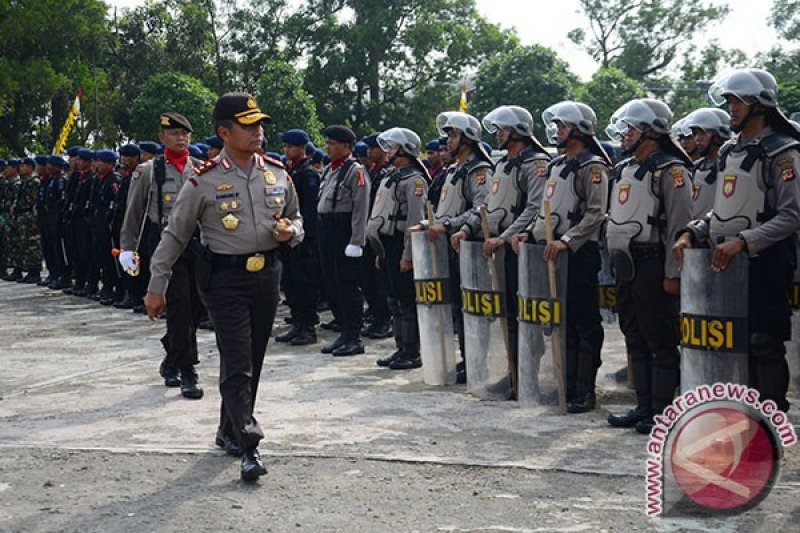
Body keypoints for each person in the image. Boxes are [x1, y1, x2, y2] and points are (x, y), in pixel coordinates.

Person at [145, 92, 304, 480]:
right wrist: (157, 283)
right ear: (224, 132)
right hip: (224, 280)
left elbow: (297, 218)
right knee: (237, 361)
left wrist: (291, 231)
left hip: (267, 276)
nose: (258, 132)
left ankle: (227, 429)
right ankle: (249, 445)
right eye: (248, 126)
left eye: (259, 124)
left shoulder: (277, 173)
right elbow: (175, 235)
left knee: (253, 359)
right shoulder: (203, 181)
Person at [673, 68, 800, 413]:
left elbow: (791, 216)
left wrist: (744, 241)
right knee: (735, 342)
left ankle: (770, 419)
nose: (731, 108)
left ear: (760, 105)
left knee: (764, 342)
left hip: (767, 261)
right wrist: (691, 233)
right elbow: (723, 210)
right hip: (727, 262)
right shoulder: (730, 151)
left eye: (738, 101)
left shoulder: (783, 152)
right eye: (728, 101)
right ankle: (741, 418)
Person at [603, 98, 693, 434]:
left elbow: (680, 225)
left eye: (632, 128)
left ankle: (662, 411)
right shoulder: (624, 168)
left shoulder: (672, 170)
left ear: (652, 131)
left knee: (659, 339)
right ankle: (643, 406)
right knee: (633, 335)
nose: (625, 134)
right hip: (626, 263)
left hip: (653, 261)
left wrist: (673, 273)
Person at [515, 101, 610, 412]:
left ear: (579, 129)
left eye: (562, 126)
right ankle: (566, 385)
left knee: (584, 323)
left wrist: (568, 241)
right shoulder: (557, 165)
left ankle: (585, 390)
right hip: (554, 252)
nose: (557, 131)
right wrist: (529, 233)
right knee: (563, 323)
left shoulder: (592, 166)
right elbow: (546, 209)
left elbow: (596, 214)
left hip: (579, 254)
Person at [120, 113, 204, 399]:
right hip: (164, 242)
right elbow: (134, 212)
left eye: (185, 133)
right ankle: (188, 371)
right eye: (174, 133)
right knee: (179, 304)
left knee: (197, 307)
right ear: (162, 137)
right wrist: (127, 247)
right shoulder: (148, 171)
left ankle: (171, 358)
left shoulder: (201, 169)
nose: (181, 137)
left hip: (197, 242)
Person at [410, 111, 493, 382]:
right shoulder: (455, 169)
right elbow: (447, 211)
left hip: (470, 247)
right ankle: (467, 358)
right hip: (452, 246)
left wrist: (448, 227)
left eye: (454, 135)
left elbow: (481, 208)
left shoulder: (479, 170)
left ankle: (478, 361)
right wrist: (426, 225)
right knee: (458, 307)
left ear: (468, 138)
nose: (449, 141)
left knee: (473, 307)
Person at [367, 127, 428, 370]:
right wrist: (380, 252)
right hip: (387, 246)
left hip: (402, 243)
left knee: (405, 301)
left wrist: (408, 255)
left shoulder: (413, 180)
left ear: (405, 150)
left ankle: (411, 351)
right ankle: (400, 347)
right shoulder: (392, 176)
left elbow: (415, 219)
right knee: (393, 299)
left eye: (392, 147)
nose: (387, 151)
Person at [317, 125, 371, 356]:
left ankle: (354, 337)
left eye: (332, 143)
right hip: (328, 229)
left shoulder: (355, 170)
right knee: (334, 283)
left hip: (344, 230)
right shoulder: (331, 169)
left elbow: (361, 208)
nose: (327, 147)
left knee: (348, 286)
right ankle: (344, 332)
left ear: (345, 146)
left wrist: (356, 241)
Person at [275, 128, 322, 345]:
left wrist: (304, 236)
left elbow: (309, 211)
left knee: (305, 282)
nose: (286, 150)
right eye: (285, 146)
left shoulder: (308, 173)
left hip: (303, 237)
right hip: (288, 235)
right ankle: (298, 323)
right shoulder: (290, 172)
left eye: (290, 146)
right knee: (291, 282)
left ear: (302, 148)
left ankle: (308, 327)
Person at [360, 132, 393, 339]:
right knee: (368, 278)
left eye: (373, 148)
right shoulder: (372, 172)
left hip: (382, 232)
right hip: (368, 230)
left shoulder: (387, 173)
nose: (369, 152)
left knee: (381, 281)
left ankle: (385, 320)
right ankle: (377, 315)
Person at [682, 108, 732, 218]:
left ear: (719, 136)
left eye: (703, 133)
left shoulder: (730, 166)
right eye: (695, 133)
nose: (697, 139)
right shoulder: (696, 167)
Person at [113, 144, 143, 308]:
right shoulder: (127, 177)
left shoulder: (139, 176)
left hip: (136, 224)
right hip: (122, 222)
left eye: (128, 157)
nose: (124, 160)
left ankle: (136, 295)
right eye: (123, 156)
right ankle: (129, 293)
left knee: (137, 260)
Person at [9, 157, 42, 283]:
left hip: (29, 216)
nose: (21, 168)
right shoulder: (23, 182)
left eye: (24, 166)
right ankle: (20, 269)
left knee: (32, 245)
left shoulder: (34, 182)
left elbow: (34, 202)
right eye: (20, 166)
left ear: (30, 168)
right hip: (20, 215)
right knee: (20, 244)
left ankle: (34, 271)